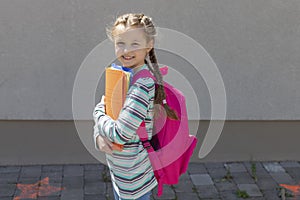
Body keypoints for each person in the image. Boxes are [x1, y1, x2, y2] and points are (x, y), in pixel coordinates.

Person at [93, 13, 177, 200]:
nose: (126, 50)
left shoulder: (142, 85)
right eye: (120, 43)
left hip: (134, 181)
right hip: (122, 176)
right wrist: (98, 136)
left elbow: (120, 134)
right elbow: (109, 113)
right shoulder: (123, 75)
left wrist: (97, 112)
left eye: (135, 44)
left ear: (149, 45)